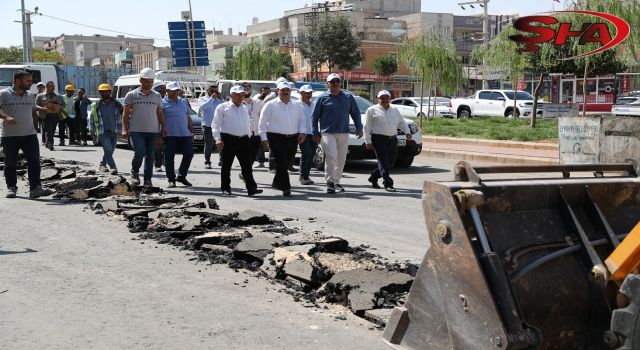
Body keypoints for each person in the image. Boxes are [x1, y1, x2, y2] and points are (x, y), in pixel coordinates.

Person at [0, 70, 52, 199]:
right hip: (10, 136)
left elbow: (33, 112)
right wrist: (6, 117)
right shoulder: (3, 94)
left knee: (34, 161)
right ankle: (11, 188)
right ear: (18, 81)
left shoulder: (30, 95)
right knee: (10, 163)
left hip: (30, 135)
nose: (31, 83)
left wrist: (35, 129)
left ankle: (35, 189)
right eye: (28, 81)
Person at [312, 73, 363, 193]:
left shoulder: (348, 97)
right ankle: (330, 182)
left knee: (341, 159)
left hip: (344, 132)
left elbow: (355, 113)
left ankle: (336, 181)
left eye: (337, 81)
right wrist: (315, 132)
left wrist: (359, 128)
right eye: (332, 82)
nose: (335, 84)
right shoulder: (322, 98)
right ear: (327, 83)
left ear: (340, 83)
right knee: (331, 157)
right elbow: (314, 117)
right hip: (327, 132)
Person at [212, 85, 262, 196]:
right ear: (231, 95)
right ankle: (225, 188)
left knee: (247, 165)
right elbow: (215, 124)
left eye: (242, 95)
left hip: (244, 139)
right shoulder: (222, 107)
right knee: (226, 165)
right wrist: (217, 139)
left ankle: (251, 188)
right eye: (237, 95)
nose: (240, 97)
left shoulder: (244, 107)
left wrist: (248, 134)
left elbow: (247, 122)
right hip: (228, 139)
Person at [258, 81, 306, 197]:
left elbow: (302, 120)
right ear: (277, 91)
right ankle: (286, 187)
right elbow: (262, 123)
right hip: (275, 137)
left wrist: (302, 132)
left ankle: (276, 182)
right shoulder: (270, 105)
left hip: (292, 138)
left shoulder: (297, 104)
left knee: (286, 162)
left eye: (287, 90)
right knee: (281, 161)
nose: (285, 92)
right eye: (282, 90)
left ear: (290, 91)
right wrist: (263, 138)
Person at [121, 68, 167, 187]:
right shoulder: (131, 95)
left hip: (153, 131)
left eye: (151, 82)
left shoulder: (157, 96)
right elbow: (125, 114)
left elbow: (160, 113)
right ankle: (135, 173)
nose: (149, 84)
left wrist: (164, 127)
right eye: (147, 81)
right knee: (140, 153)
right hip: (136, 131)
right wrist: (124, 129)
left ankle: (147, 180)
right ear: (141, 80)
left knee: (150, 155)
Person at [364, 90, 412, 192]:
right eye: (382, 98)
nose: (385, 100)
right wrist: (368, 141)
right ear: (378, 99)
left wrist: (407, 132)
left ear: (390, 99)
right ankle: (388, 183)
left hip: (393, 139)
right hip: (378, 139)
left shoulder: (394, 109)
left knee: (390, 162)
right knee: (384, 162)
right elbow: (366, 127)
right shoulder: (371, 110)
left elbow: (401, 122)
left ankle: (373, 177)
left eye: (387, 98)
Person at [162, 82, 194, 188]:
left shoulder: (183, 101)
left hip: (185, 134)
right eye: (173, 90)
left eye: (177, 90)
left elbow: (188, 117)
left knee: (189, 154)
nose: (176, 92)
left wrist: (191, 132)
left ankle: (181, 176)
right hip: (169, 135)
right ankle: (171, 180)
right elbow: (159, 119)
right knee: (169, 158)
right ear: (167, 91)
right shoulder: (162, 103)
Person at [89, 84, 123, 175]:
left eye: (106, 91)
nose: (104, 93)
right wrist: (92, 131)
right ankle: (113, 167)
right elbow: (92, 118)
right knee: (107, 149)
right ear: (100, 93)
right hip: (102, 131)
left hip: (114, 131)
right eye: (102, 92)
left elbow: (122, 117)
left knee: (111, 150)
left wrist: (123, 130)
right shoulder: (96, 105)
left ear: (110, 92)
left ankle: (102, 164)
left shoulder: (116, 104)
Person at [198, 84, 223, 169]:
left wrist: (221, 98)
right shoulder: (203, 99)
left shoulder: (219, 100)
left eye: (215, 91)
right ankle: (207, 162)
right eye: (212, 91)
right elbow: (202, 107)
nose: (214, 93)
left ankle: (222, 160)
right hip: (207, 125)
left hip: (219, 125)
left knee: (221, 143)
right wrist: (212, 98)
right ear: (207, 90)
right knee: (208, 144)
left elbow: (226, 108)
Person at [296, 84, 317, 185]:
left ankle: (306, 176)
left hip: (313, 133)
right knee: (307, 153)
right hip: (302, 134)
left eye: (310, 93)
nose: (309, 94)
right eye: (307, 93)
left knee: (311, 154)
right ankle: (302, 175)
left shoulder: (314, 104)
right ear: (301, 93)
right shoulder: (296, 104)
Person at [36, 81, 65, 151]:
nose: (52, 88)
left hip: (55, 115)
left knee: (53, 129)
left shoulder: (58, 96)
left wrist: (60, 107)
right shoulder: (40, 96)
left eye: (53, 86)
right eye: (50, 86)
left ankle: (47, 142)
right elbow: (35, 105)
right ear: (46, 87)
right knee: (48, 129)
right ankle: (50, 143)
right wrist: (42, 108)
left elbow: (64, 104)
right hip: (45, 115)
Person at [254, 86, 271, 168]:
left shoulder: (272, 100)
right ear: (261, 92)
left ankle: (272, 163)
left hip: (271, 126)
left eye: (267, 92)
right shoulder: (257, 100)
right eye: (264, 92)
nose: (265, 94)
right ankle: (261, 161)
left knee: (272, 145)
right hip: (261, 125)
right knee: (260, 144)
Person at [154, 82, 167, 171]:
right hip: (156, 126)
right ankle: (157, 164)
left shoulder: (167, 100)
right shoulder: (155, 100)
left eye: (164, 90)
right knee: (157, 146)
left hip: (166, 126)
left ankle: (165, 162)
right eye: (162, 89)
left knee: (165, 146)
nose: (163, 91)